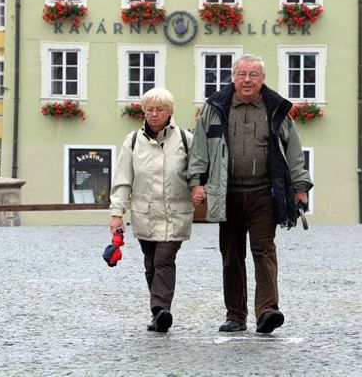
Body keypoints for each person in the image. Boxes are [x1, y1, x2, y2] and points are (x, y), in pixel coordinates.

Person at [188, 54, 313, 334]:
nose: (247, 80)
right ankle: (235, 314)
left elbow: (293, 150)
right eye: (242, 74)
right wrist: (196, 182)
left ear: (262, 79)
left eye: (253, 75)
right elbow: (199, 149)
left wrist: (300, 187)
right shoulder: (215, 108)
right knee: (231, 255)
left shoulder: (275, 108)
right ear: (233, 77)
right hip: (227, 193)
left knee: (264, 251)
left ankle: (268, 310)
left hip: (263, 194)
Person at [109, 87, 193, 333]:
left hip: (175, 213)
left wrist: (199, 190)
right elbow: (123, 179)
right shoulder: (133, 141)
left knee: (164, 260)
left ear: (170, 112)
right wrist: (117, 214)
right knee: (150, 264)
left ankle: (160, 309)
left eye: (160, 110)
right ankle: (159, 312)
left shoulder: (186, 140)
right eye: (150, 109)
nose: (154, 114)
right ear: (144, 111)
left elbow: (197, 173)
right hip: (144, 213)